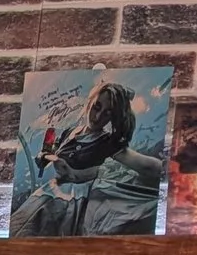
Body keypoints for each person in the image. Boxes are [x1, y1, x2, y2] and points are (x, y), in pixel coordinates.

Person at [9, 81, 161, 236]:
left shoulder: (107, 142)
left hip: (71, 203)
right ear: (90, 102)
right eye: (97, 107)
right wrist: (44, 158)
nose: (98, 117)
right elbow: (48, 154)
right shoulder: (69, 132)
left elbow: (150, 166)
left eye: (107, 113)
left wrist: (76, 174)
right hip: (48, 192)